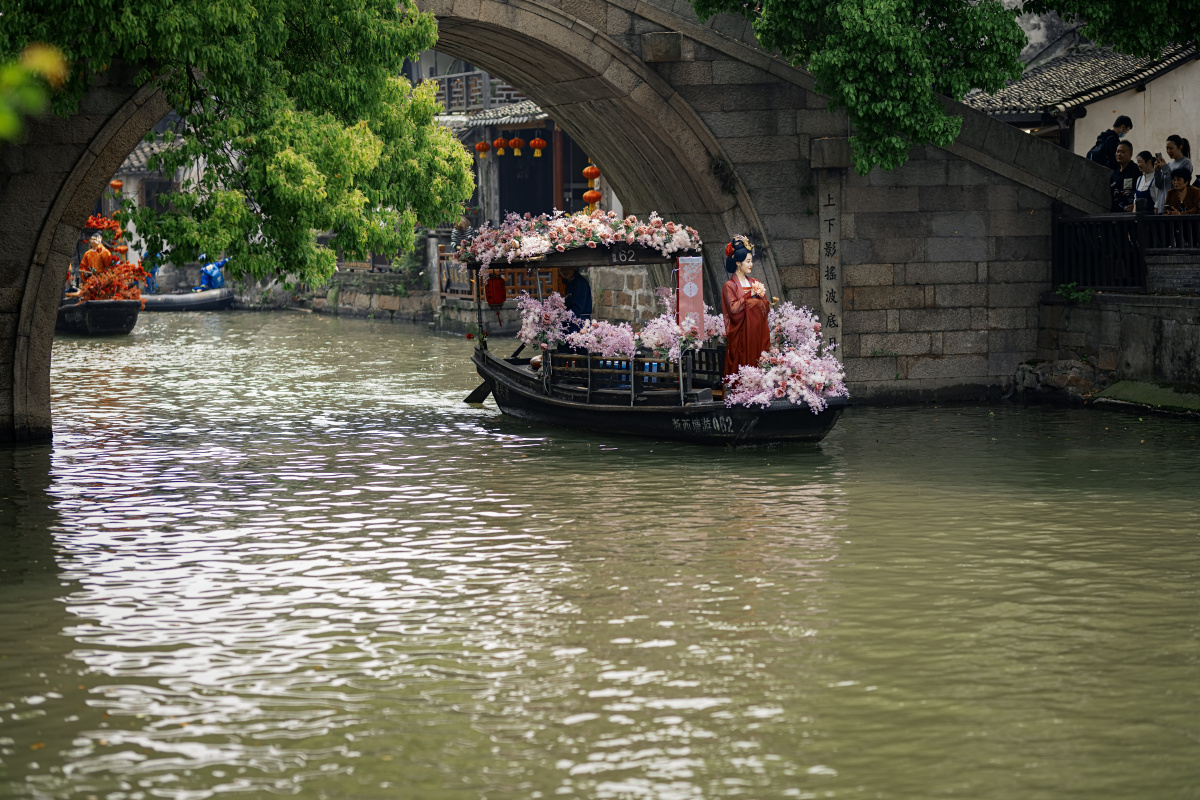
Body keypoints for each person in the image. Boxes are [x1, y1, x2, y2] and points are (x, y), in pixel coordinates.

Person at [721, 235, 770, 383]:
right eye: (748, 261)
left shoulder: (755, 282)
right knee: (742, 365)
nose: (751, 264)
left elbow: (766, 306)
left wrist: (756, 303)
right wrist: (750, 297)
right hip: (741, 334)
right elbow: (733, 310)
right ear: (738, 263)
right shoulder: (729, 286)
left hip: (757, 332)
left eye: (751, 261)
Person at [1154, 135, 1193, 213]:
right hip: (1163, 206)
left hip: (1175, 208)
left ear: (1180, 147)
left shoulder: (1186, 162)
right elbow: (1159, 185)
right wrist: (1157, 171)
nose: (1168, 151)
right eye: (1167, 148)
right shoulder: (1169, 164)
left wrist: (1165, 168)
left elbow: (1178, 183)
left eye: (1171, 148)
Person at [1110, 141, 1140, 211]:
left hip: (1132, 216)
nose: (1119, 154)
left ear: (1130, 154)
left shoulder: (1137, 171)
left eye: (1123, 152)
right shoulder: (1114, 175)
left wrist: (1135, 206)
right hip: (1116, 216)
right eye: (1117, 152)